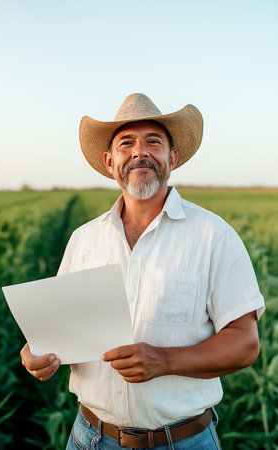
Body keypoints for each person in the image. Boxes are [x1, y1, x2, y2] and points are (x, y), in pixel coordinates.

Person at [20, 93, 265, 449]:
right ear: (109, 161)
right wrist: (39, 353)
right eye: (126, 143)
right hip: (89, 437)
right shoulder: (83, 239)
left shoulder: (213, 235)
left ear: (172, 158)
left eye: (154, 141)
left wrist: (164, 360)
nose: (140, 152)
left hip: (183, 440)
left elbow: (245, 344)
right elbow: (59, 334)